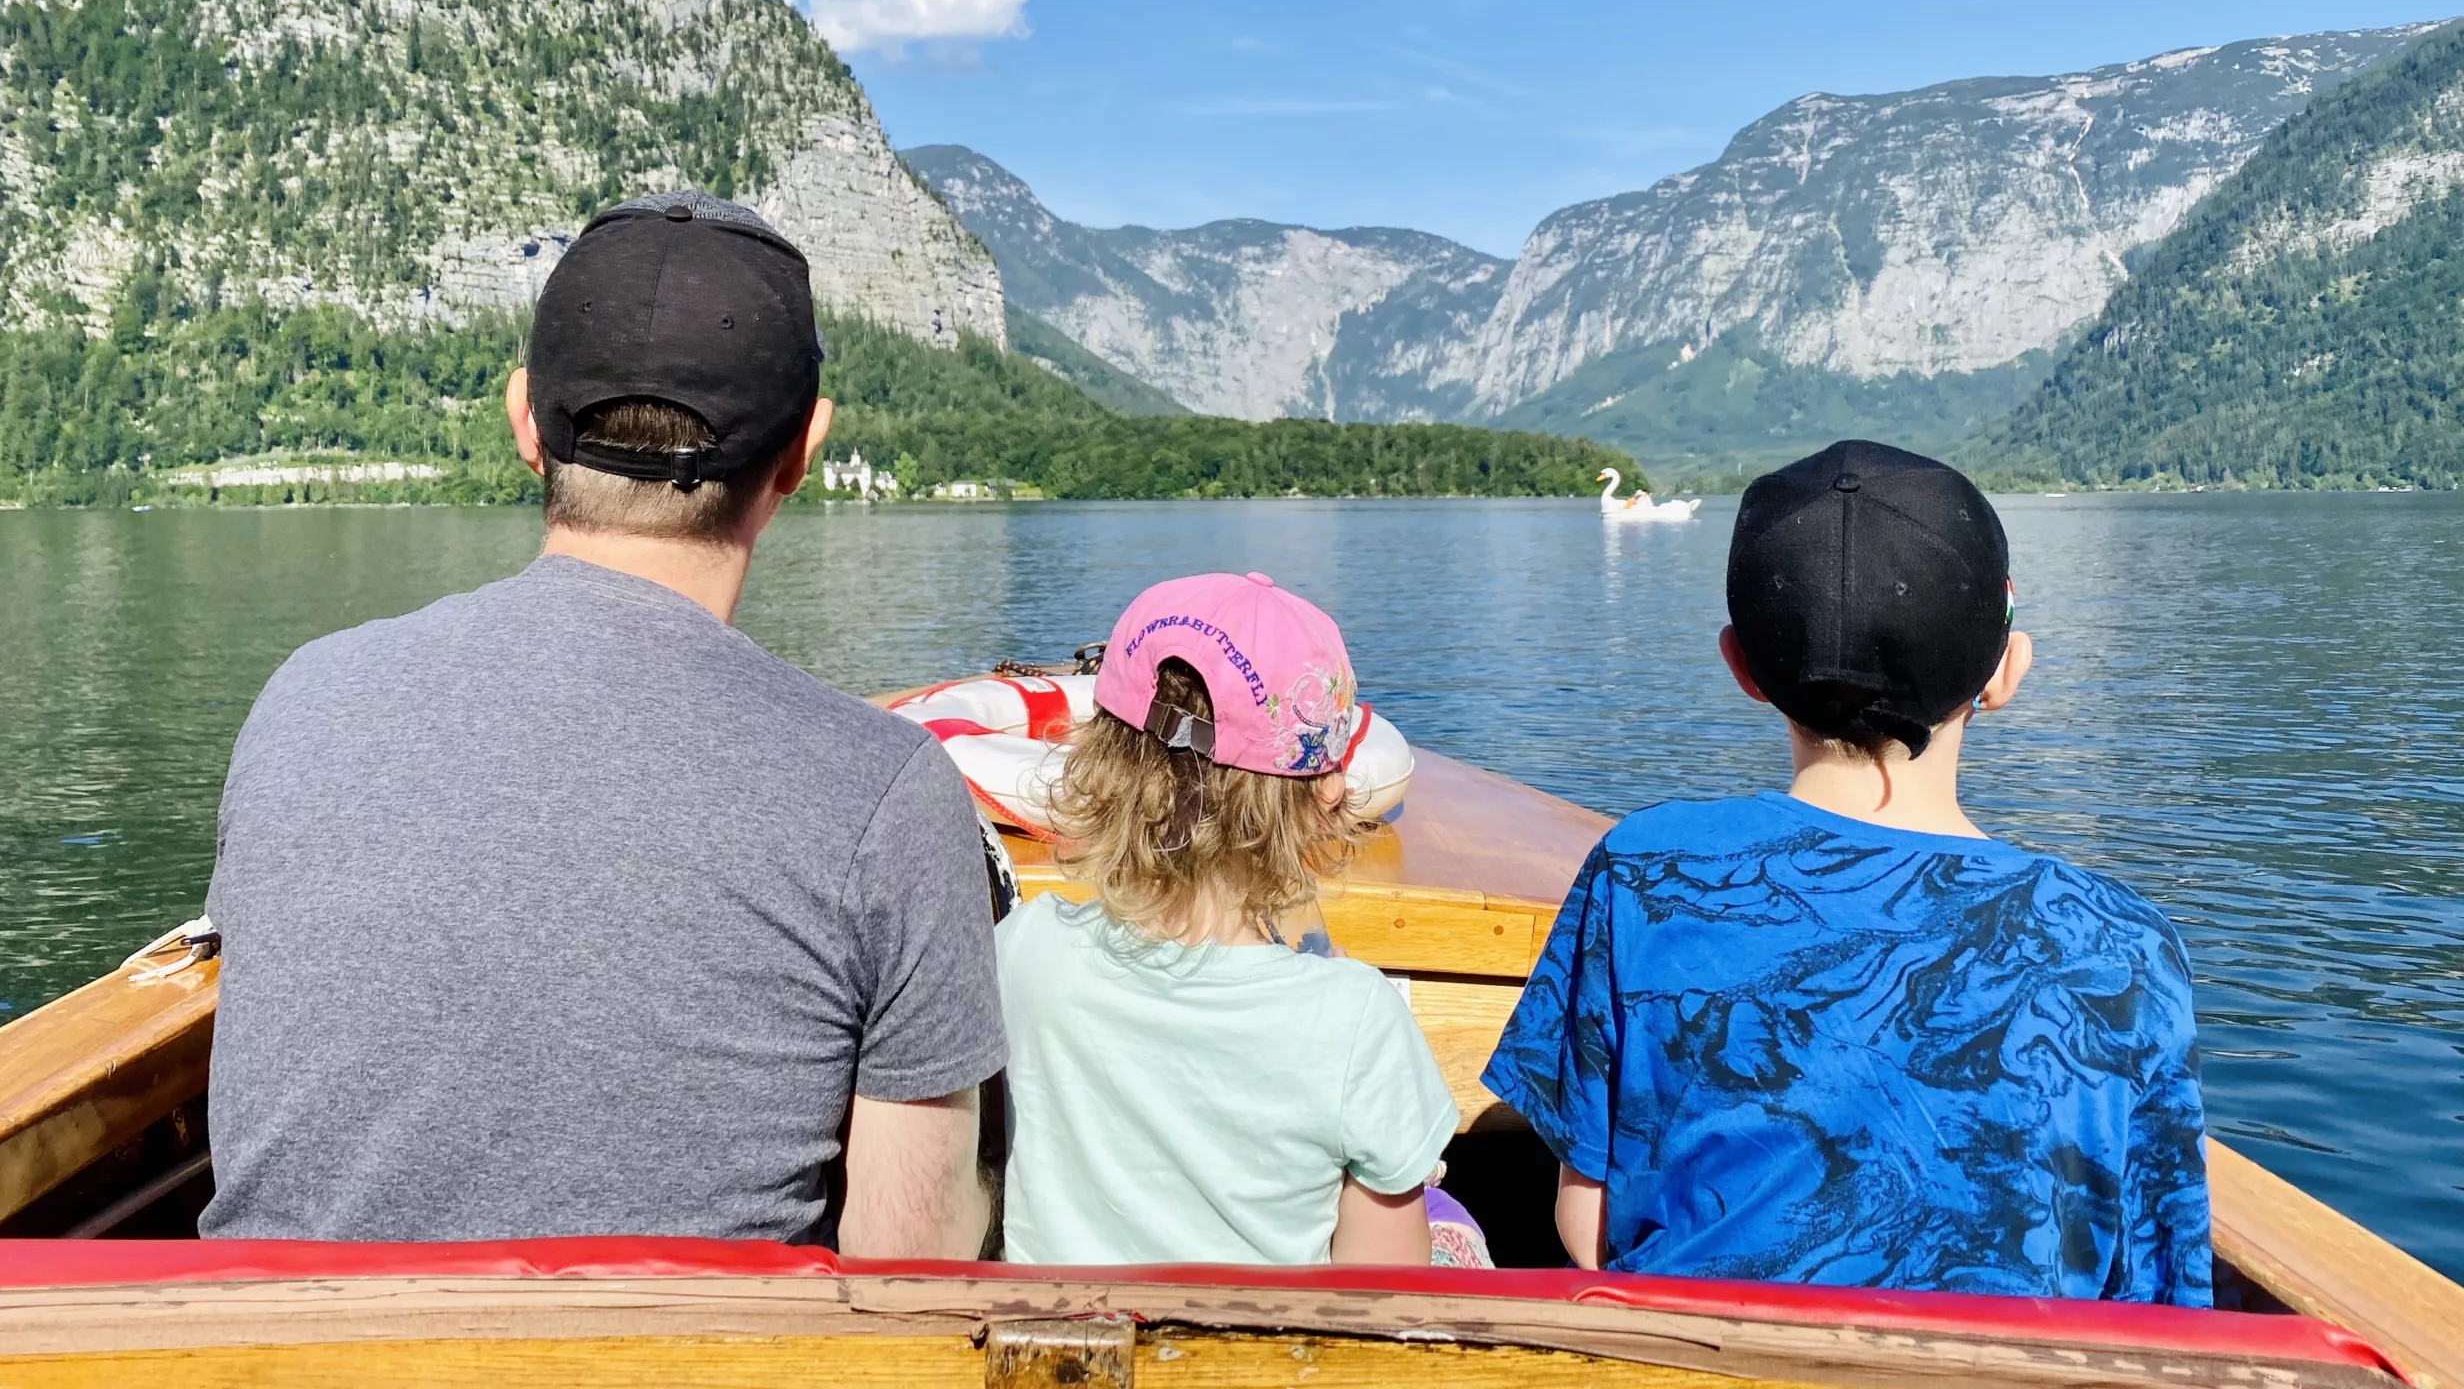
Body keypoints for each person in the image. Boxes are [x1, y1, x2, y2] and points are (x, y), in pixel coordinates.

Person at [202, 192, 1006, 1253]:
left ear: (525, 421)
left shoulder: (303, 697)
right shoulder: (888, 792)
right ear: (802, 452)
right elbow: (911, 1269)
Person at [1483, 440, 2212, 1304]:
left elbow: (1586, 1230)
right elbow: (2162, 1292)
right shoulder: (2121, 942)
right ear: (2005, 672)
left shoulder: (1645, 871)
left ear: (1741, 667)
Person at [994, 572, 1459, 1266]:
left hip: (1063, 1359)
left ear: (1100, 757)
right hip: (1259, 1366)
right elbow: (1384, 1299)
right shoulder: (1355, 1018)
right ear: (1325, 792)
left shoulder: (1024, 953)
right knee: (1456, 1224)